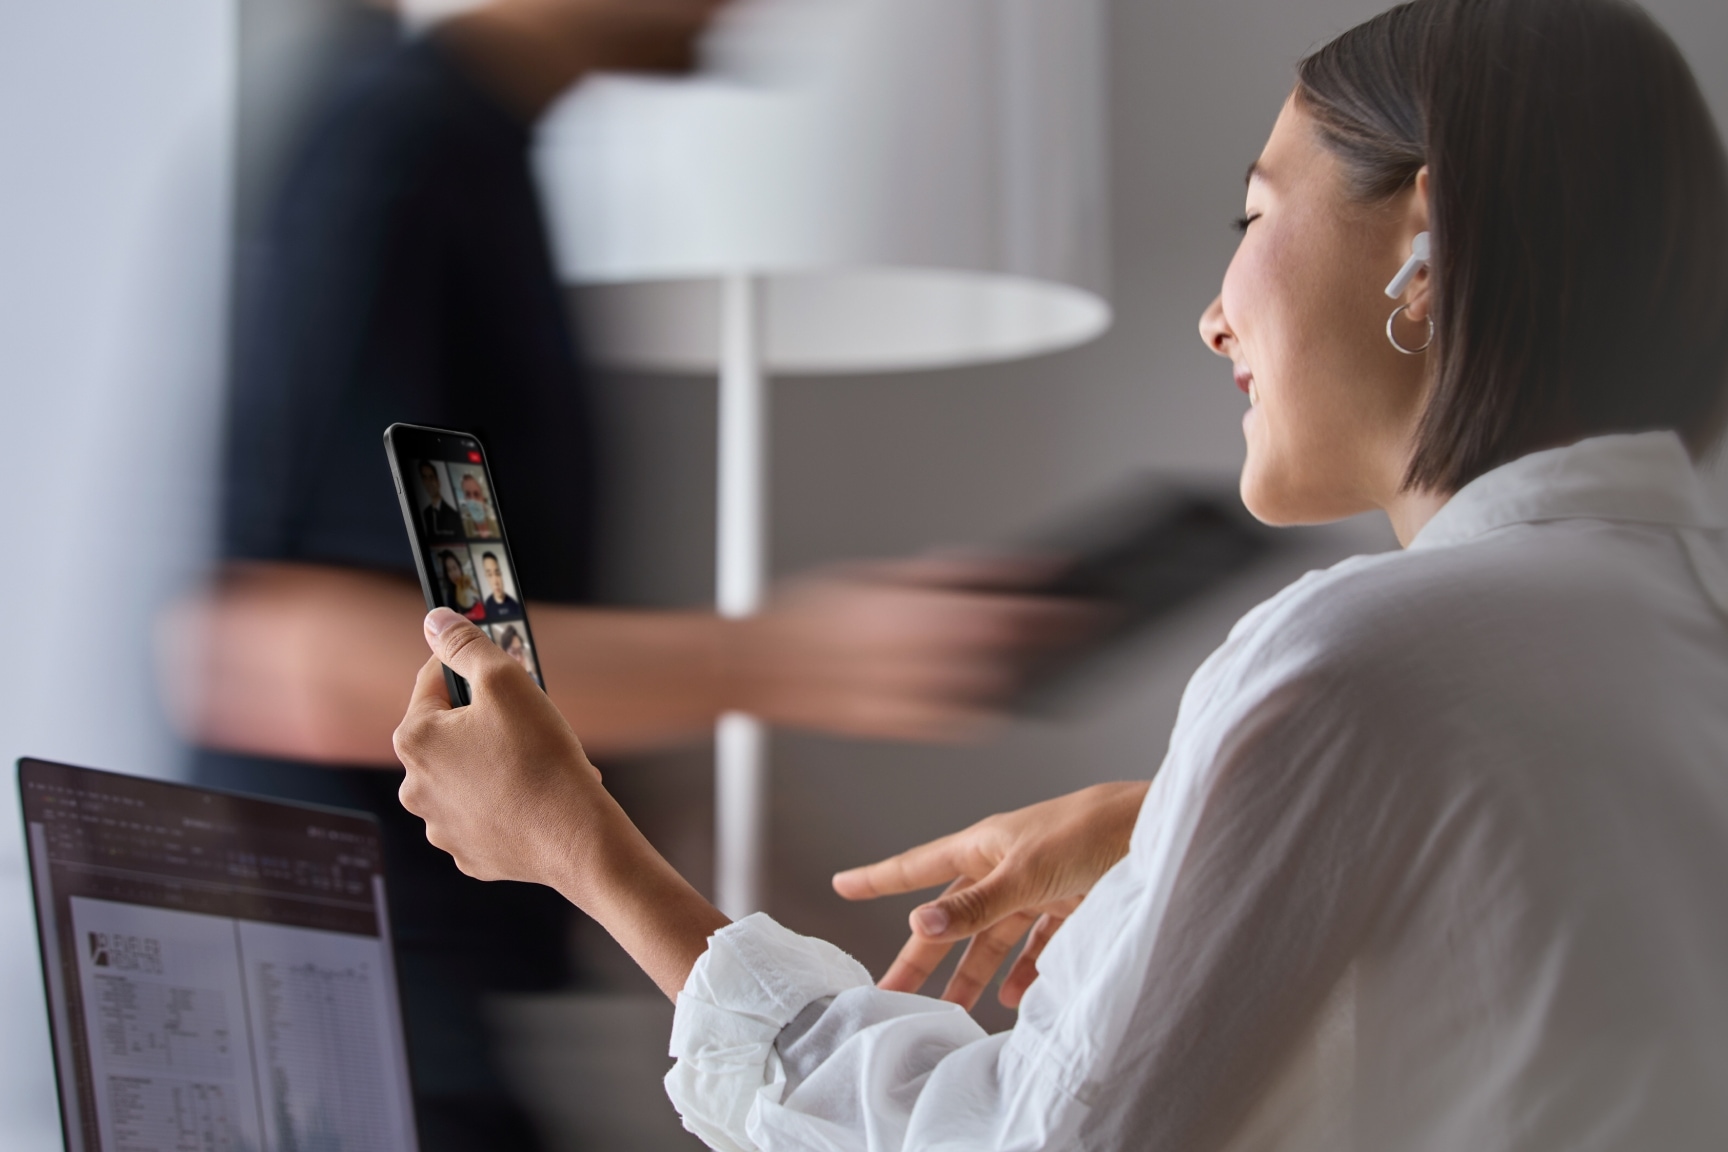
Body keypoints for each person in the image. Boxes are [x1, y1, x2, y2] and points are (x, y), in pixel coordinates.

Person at [388, 0, 1728, 1148]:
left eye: (1251, 214)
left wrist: (586, 852)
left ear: (1424, 243)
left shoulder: (1358, 660)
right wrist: (1188, 822)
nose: (1214, 316)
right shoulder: (1669, 626)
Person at [158, 2, 1080, 1147]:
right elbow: (275, 653)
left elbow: (489, 644)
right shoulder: (398, 151)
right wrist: (782, 656)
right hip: (334, 1037)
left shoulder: (482, 154)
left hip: (415, 1015)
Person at [417, 460, 463, 539]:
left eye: (431, 477)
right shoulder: (426, 513)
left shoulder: (453, 515)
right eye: (425, 478)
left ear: (438, 481)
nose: (429, 482)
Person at [478, 551, 522, 619]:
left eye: (497, 573)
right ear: (486, 577)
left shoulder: (517, 608)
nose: (495, 582)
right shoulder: (487, 605)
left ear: (501, 574)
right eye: (489, 575)